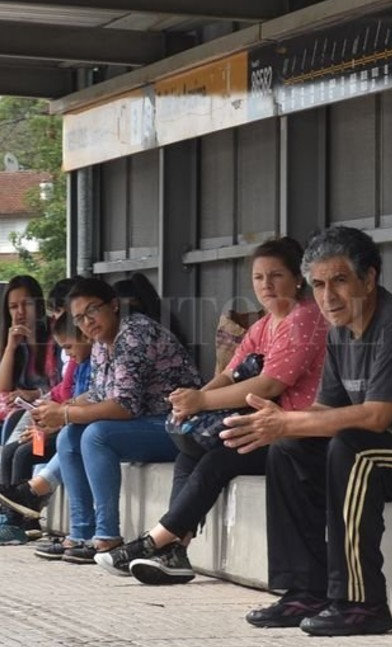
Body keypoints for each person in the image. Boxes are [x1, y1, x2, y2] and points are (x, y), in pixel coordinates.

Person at [221, 226, 392, 637]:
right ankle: (306, 589)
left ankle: (362, 603)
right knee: (288, 449)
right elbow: (327, 409)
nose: (328, 296)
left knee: (355, 450)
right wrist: (281, 424)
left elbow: (377, 416)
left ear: (369, 278)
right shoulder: (339, 331)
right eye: (319, 285)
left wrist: (288, 419)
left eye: (339, 281)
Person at [92, 237, 330, 585]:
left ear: (298, 278)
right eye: (259, 277)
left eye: (276, 275)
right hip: (266, 428)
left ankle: (153, 542)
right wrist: (191, 403)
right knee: (191, 449)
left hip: (300, 433)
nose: (266, 285)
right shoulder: (263, 325)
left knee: (219, 458)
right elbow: (229, 373)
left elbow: (269, 385)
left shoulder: (305, 319)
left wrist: (201, 402)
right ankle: (175, 552)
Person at [0, 277, 201, 564]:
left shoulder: (133, 333)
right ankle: (81, 534)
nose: (87, 322)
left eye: (92, 310)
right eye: (79, 318)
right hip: (147, 423)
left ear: (114, 305)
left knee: (96, 435)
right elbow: (99, 394)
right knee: (70, 436)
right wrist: (59, 413)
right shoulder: (103, 341)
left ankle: (106, 537)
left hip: (177, 425)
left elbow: (124, 406)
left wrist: (64, 413)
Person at [0, 311, 93, 546]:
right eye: (64, 349)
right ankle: (11, 518)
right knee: (12, 450)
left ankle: (21, 522)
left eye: (70, 347)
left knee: (26, 454)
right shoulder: (76, 365)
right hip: (55, 423)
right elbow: (61, 392)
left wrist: (55, 421)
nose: (68, 354)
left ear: (86, 337)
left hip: (67, 427)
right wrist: (41, 409)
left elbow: (87, 402)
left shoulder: (93, 364)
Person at [0, 275, 56, 479]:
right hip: (17, 419)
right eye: (14, 307)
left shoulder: (54, 336)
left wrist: (33, 394)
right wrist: (11, 347)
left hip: (42, 427)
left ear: (39, 305)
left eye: (26, 304)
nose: (20, 312)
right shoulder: (15, 340)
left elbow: (62, 387)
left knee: (14, 422)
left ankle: (10, 496)